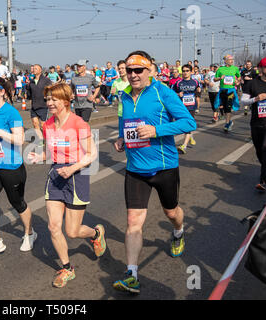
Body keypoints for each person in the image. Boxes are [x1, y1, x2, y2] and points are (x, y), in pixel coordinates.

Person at [113, 51, 196, 294]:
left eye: (139, 70)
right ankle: (132, 274)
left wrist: (156, 130)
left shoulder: (163, 92)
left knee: (171, 212)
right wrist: (121, 138)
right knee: (133, 222)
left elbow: (189, 123)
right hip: (135, 169)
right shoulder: (125, 95)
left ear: (150, 70)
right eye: (129, 70)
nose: (133, 75)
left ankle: (178, 232)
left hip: (164, 167)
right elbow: (125, 122)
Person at [28, 82, 106, 288]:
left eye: (53, 99)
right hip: (55, 176)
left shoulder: (79, 123)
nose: (49, 102)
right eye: (48, 99)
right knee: (53, 226)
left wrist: (72, 168)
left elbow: (92, 154)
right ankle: (67, 268)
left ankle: (96, 233)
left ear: (65, 100)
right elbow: (51, 152)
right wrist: (40, 156)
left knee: (72, 231)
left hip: (76, 176)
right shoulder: (47, 125)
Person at [0, 75, 36, 260]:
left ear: (2, 92)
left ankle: (29, 233)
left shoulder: (12, 113)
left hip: (11, 167)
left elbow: (20, 140)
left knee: (17, 203)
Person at [241, 57, 266, 191]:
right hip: (257, 122)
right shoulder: (252, 84)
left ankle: (263, 180)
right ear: (261, 68)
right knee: (259, 150)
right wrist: (257, 98)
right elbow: (244, 101)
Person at [174, 64, 201, 154]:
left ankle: (184, 146)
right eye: (184, 71)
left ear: (191, 72)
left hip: (192, 106)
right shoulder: (178, 83)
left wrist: (199, 90)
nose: (185, 73)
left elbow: (198, 88)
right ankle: (190, 135)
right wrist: (178, 94)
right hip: (181, 107)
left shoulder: (195, 82)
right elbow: (172, 93)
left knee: (188, 124)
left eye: (187, 71)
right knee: (183, 124)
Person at [214, 54, 241, 132]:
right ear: (225, 60)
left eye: (232, 59)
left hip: (231, 90)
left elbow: (239, 77)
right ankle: (229, 121)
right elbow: (215, 79)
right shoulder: (220, 69)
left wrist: (237, 81)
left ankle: (226, 123)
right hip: (223, 90)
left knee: (228, 106)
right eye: (230, 59)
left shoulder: (235, 68)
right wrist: (220, 78)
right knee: (225, 107)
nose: (232, 61)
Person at [28, 64, 52, 143]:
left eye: (36, 68)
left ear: (40, 70)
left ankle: (49, 139)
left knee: (43, 125)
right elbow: (29, 93)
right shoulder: (31, 82)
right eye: (33, 68)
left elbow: (51, 90)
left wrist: (48, 97)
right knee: (35, 124)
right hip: (34, 106)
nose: (34, 70)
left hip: (43, 105)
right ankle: (40, 141)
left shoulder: (46, 80)